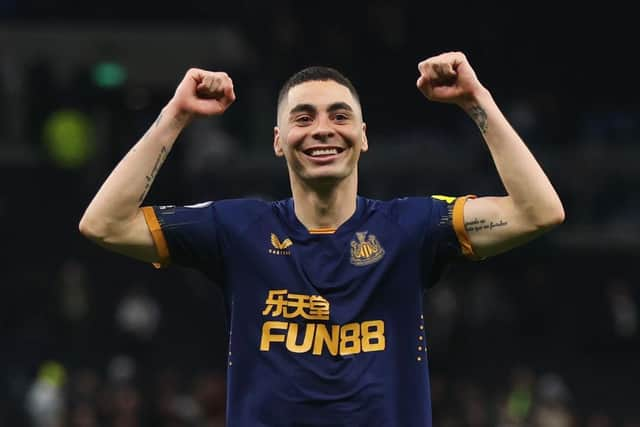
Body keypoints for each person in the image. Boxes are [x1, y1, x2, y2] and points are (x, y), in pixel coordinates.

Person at [79, 51, 565, 426]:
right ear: (277, 140)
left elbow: (538, 211)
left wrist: (475, 99)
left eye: (339, 115)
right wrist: (176, 115)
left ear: (364, 135)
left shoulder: (412, 227)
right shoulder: (239, 230)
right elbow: (105, 223)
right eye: (303, 117)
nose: (323, 130)